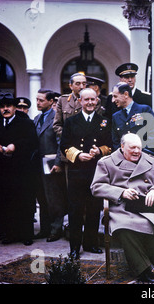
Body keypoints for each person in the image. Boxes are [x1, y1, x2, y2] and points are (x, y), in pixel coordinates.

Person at [91, 133, 154, 283]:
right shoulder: (107, 162)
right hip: (121, 208)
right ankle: (149, 270)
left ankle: (147, 268)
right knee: (125, 228)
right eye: (132, 147)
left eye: (139, 148)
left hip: (146, 206)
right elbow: (96, 187)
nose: (136, 151)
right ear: (122, 147)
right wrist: (121, 192)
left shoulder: (151, 161)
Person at [60, 88, 112, 258]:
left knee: (94, 208)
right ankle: (75, 247)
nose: (90, 102)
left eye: (93, 99)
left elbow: (110, 145)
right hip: (77, 171)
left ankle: (90, 243)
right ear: (80, 101)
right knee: (75, 210)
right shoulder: (71, 121)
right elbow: (64, 145)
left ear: (97, 100)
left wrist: (100, 151)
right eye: (86, 99)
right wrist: (77, 154)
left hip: (97, 172)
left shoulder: (104, 121)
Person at [0, 93, 38, 245]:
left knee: (24, 201)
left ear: (15, 108)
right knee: (6, 202)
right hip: (2, 169)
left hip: (21, 169)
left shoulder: (25, 123)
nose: (5, 109)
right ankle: (9, 233)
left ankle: (26, 235)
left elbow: (32, 142)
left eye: (8, 106)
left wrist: (16, 146)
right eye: (2, 107)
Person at [33, 89, 67, 242]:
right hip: (37, 165)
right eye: (37, 99)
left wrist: (59, 163)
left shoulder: (56, 119)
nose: (38, 103)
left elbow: (61, 143)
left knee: (54, 197)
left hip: (51, 163)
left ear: (51, 102)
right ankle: (44, 228)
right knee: (41, 197)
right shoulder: (37, 118)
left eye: (41, 100)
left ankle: (56, 229)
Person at [111, 82, 154, 164]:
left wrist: (142, 156)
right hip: (126, 163)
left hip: (147, 161)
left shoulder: (144, 110)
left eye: (115, 96)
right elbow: (116, 142)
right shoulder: (116, 117)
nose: (113, 100)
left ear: (126, 94)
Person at [53, 72, 104, 138]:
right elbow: (57, 124)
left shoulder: (93, 101)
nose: (82, 87)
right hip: (67, 142)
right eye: (78, 84)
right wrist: (67, 136)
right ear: (71, 86)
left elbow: (96, 123)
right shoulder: (63, 100)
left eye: (84, 84)